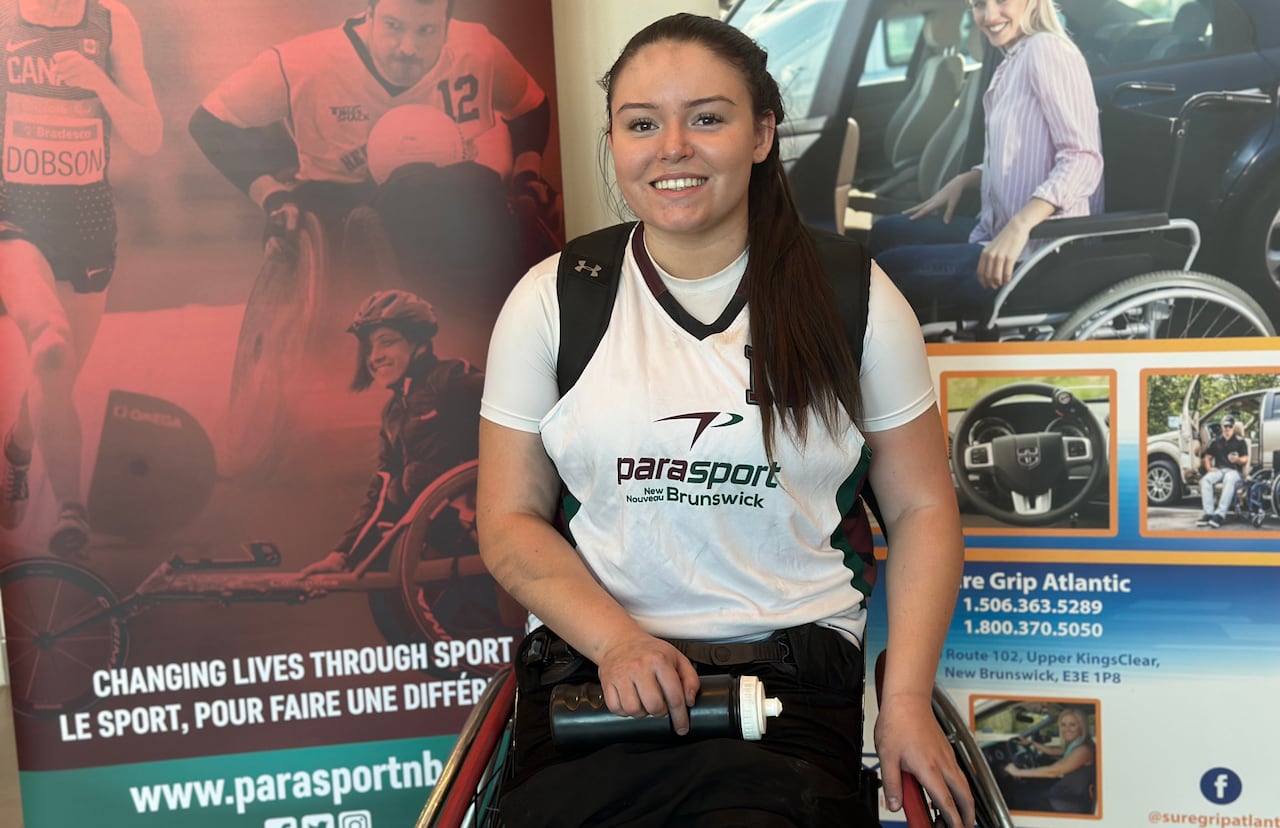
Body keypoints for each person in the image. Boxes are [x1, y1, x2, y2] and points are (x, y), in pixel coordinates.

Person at [478, 13, 973, 828]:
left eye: (707, 117)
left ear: (761, 134)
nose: (672, 146)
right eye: (642, 124)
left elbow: (921, 508)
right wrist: (617, 643)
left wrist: (906, 699)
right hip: (592, 670)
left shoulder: (853, 296)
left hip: (789, 677)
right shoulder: (555, 298)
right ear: (614, 140)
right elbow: (506, 520)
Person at [188, 0, 556, 280]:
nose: (408, 47)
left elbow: (531, 107)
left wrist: (528, 173)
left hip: (452, 195)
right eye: (394, 26)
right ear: (370, 14)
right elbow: (209, 122)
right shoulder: (306, 63)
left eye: (426, 31)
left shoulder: (477, 49)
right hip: (345, 201)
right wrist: (272, 195)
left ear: (447, 26)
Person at [0, 0, 161, 556]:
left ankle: (19, 445)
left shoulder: (112, 21)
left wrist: (98, 81)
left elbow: (148, 137)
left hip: (88, 224)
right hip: (12, 216)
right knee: (49, 345)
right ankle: (72, 508)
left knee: (57, 377)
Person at [867, 0, 1102, 318]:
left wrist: (1020, 226)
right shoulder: (1012, 58)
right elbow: (1022, 150)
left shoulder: (1047, 51)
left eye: (1001, 1)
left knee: (886, 271)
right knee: (887, 231)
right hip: (995, 229)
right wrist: (970, 177)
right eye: (979, 4)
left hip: (1038, 251)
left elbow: (1083, 158)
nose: (989, 15)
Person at [301, 289, 483, 575]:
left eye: (386, 343)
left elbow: (521, 434)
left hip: (495, 522)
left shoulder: (454, 380)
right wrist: (341, 555)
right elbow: (382, 492)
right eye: (369, 348)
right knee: (397, 491)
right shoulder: (393, 414)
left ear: (417, 342)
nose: (375, 357)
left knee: (415, 476)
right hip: (441, 526)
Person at [1003, 707, 1096, 814]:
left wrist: (1017, 772)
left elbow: (1053, 771)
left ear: (1081, 726)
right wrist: (1031, 743)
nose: (1067, 729)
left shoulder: (1083, 750)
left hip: (1066, 803)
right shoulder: (1078, 745)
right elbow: (1053, 751)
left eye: (1072, 725)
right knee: (1027, 790)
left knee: (1018, 796)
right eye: (1063, 725)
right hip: (1067, 794)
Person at [1197, 414, 1248, 528]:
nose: (1227, 428)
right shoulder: (1215, 441)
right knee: (1206, 480)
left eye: (1230, 426)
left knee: (1229, 479)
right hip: (1219, 470)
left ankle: (1220, 515)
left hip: (1233, 471)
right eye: (1225, 426)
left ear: (1233, 426)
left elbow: (1245, 459)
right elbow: (1207, 457)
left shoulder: (1240, 441)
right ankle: (1208, 514)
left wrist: (1238, 459)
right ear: (1221, 426)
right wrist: (1209, 468)